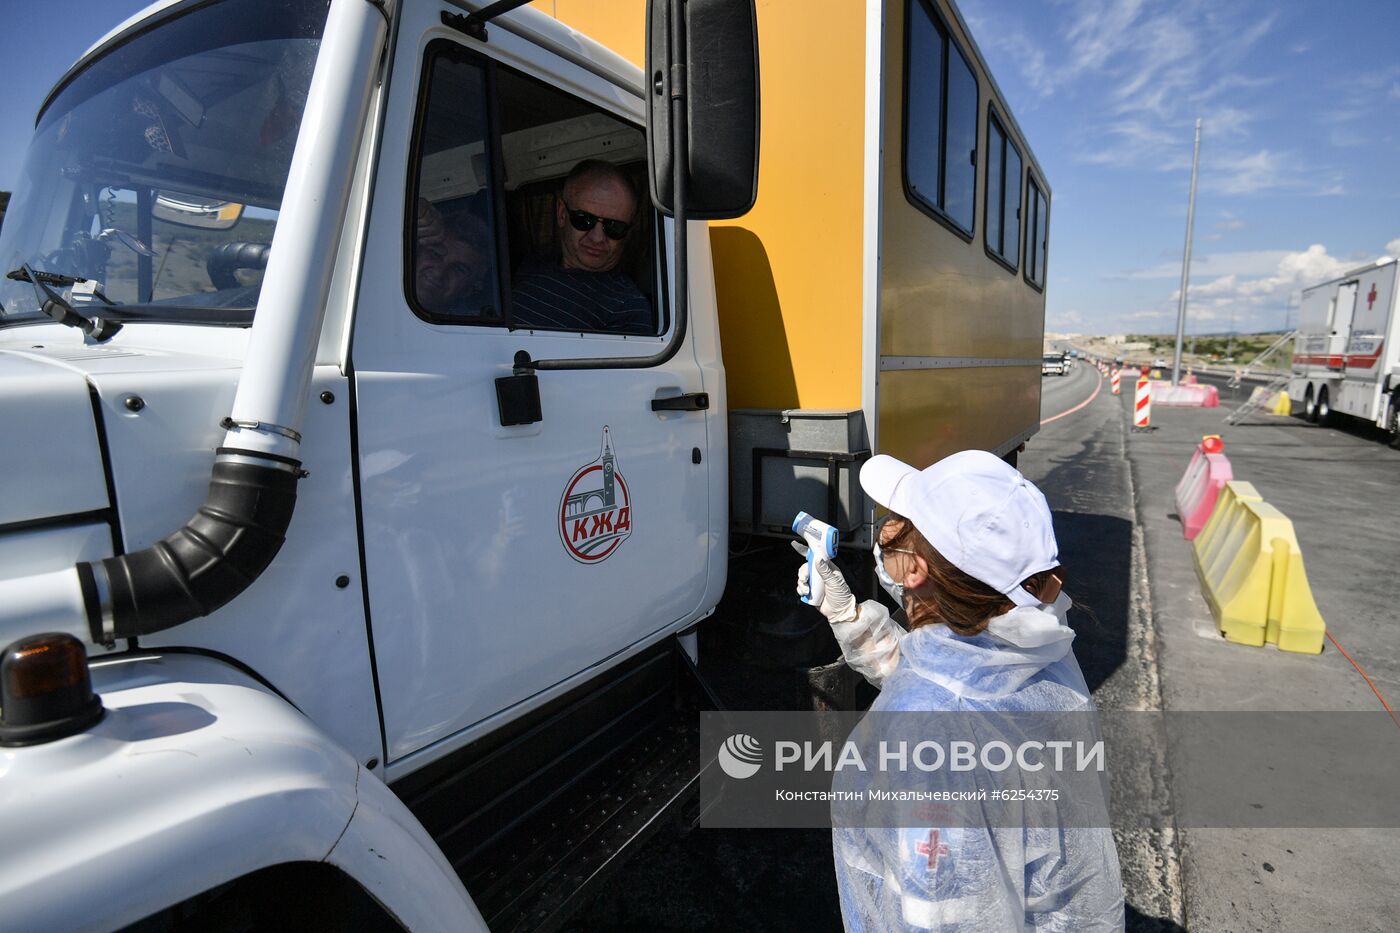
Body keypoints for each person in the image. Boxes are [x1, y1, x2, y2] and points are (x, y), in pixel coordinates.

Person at [795, 450, 1125, 931]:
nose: (885, 528)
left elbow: (939, 916)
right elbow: (953, 686)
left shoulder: (929, 731)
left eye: (899, 520)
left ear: (916, 571)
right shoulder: (1032, 640)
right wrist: (850, 619)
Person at [510, 159, 652, 334]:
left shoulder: (627, 308)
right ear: (562, 214)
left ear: (628, 231)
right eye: (584, 220)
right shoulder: (532, 264)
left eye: (614, 227)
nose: (598, 237)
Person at [414, 197, 493, 315]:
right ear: (417, 253)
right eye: (435, 255)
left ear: (469, 289)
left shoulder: (468, 330)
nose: (439, 273)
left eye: (459, 269)